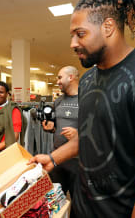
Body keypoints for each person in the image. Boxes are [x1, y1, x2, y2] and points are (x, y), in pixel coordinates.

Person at [30, 0, 135, 217]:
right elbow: (90, 134)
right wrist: (54, 159)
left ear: (108, 27)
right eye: (72, 35)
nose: (73, 43)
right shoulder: (87, 80)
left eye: (80, 34)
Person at [42, 66, 79, 197]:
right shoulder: (58, 101)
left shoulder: (87, 100)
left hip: (78, 162)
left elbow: (96, 127)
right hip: (57, 158)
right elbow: (55, 127)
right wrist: (51, 128)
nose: (57, 81)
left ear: (71, 77)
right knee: (53, 199)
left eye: (59, 77)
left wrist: (78, 134)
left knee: (79, 205)